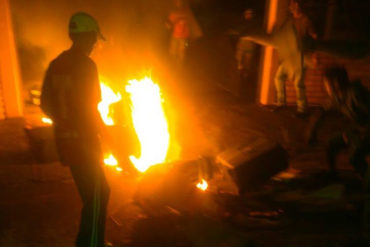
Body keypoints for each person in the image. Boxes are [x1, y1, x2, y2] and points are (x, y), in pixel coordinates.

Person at [41, 12, 111, 247]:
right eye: (93, 39)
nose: (94, 44)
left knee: (93, 196)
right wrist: (107, 135)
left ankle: (89, 242)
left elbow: (45, 104)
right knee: (99, 195)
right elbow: (90, 107)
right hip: (85, 141)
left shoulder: (56, 64)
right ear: (86, 36)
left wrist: (63, 122)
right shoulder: (86, 66)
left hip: (65, 142)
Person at [306, 66, 370, 233]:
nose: (326, 86)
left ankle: (366, 182)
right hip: (357, 131)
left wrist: (359, 133)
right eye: (325, 83)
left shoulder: (356, 94)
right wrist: (312, 131)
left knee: (355, 157)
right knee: (332, 145)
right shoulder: (336, 97)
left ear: (337, 82)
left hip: (366, 131)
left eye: (328, 82)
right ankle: (333, 175)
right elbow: (321, 111)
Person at [273, 0, 317, 116]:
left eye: (295, 4)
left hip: (301, 55)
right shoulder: (290, 21)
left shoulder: (305, 20)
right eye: (292, 5)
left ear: (298, 5)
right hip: (289, 55)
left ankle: (302, 110)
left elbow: (314, 36)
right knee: (279, 77)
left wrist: (313, 54)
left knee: (298, 83)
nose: (293, 7)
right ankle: (281, 103)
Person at [167, 0, 202, 66]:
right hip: (175, 36)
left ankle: (179, 69)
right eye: (177, 2)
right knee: (172, 53)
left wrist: (196, 34)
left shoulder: (187, 12)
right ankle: (171, 67)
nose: (178, 3)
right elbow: (168, 24)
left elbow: (192, 24)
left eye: (180, 2)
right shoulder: (174, 12)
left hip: (183, 37)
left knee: (181, 54)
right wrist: (168, 24)